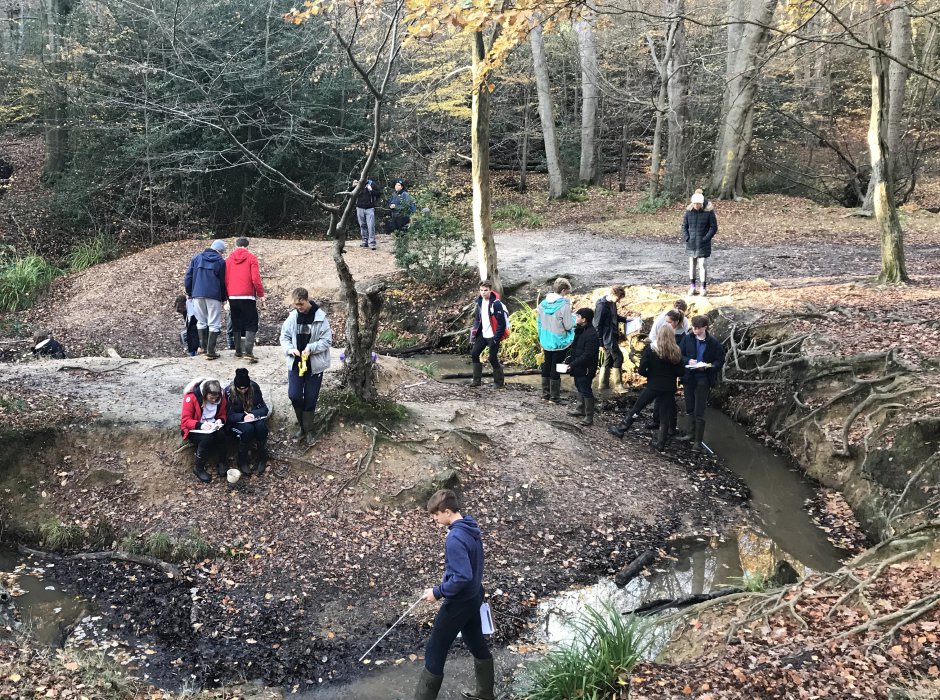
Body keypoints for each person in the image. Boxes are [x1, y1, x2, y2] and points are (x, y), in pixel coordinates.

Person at [413, 489, 493, 700]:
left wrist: (438, 592)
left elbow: (462, 576)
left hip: (460, 602)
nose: (434, 518)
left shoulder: (455, 538)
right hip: (475, 595)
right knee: (474, 638)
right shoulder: (470, 526)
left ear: (447, 511)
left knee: (435, 649)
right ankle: (485, 694)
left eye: (435, 514)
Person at [608, 325, 686, 451]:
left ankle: (621, 429)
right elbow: (681, 371)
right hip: (669, 387)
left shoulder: (651, 349)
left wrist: (651, 374)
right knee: (664, 415)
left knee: (637, 408)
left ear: (659, 335)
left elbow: (642, 370)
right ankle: (661, 443)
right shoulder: (676, 351)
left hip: (653, 385)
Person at [279, 288, 332, 445]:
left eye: (301, 304)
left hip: (314, 365)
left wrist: (311, 348)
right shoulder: (292, 317)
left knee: (310, 398)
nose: (299, 308)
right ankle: (302, 426)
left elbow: (327, 341)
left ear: (307, 299)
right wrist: (290, 350)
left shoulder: (321, 318)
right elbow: (284, 337)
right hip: (296, 364)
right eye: (296, 305)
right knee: (294, 395)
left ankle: (309, 430)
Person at [679, 315, 726, 453]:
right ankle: (690, 434)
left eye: (698, 328)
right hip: (689, 377)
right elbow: (679, 355)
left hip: (704, 378)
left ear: (705, 327)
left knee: (699, 409)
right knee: (689, 406)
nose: (695, 330)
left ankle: (698, 442)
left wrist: (708, 366)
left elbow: (720, 361)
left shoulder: (713, 343)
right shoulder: (687, 338)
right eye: (693, 328)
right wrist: (688, 361)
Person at [184, 239, 227, 359]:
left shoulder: (197, 258)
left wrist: (189, 292)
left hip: (197, 294)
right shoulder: (221, 261)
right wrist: (223, 297)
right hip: (214, 295)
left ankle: (202, 348)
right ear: (220, 251)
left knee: (201, 321)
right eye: (222, 252)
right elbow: (223, 282)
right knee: (214, 323)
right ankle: (211, 351)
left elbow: (188, 277)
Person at [225, 237, 265, 363]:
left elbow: (225, 279)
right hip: (248, 295)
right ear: (247, 246)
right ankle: (248, 351)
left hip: (232, 296)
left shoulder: (228, 260)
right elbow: (255, 278)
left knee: (236, 322)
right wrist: (260, 293)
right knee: (251, 322)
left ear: (236, 245)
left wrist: (227, 296)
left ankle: (238, 351)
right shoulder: (252, 258)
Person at [180, 378, 228, 483]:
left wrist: (220, 420)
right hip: (194, 428)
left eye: (216, 398)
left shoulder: (221, 397)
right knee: (207, 438)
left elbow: (223, 413)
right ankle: (199, 468)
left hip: (212, 426)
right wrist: (200, 425)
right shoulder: (191, 397)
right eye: (211, 397)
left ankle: (222, 462)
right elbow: (185, 420)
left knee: (222, 435)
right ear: (205, 393)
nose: (214, 400)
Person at [225, 367, 270, 476]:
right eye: (240, 389)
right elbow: (228, 415)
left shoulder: (254, 388)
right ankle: (242, 461)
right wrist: (242, 417)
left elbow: (264, 409)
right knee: (248, 429)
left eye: (245, 388)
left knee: (261, 427)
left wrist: (254, 414)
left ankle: (262, 457)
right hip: (237, 422)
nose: (243, 391)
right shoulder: (229, 392)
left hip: (252, 417)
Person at [537, 277, 575, 403]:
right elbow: (568, 325)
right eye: (567, 292)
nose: (567, 295)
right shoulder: (564, 305)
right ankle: (554, 397)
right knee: (556, 366)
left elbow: (539, 322)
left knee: (547, 365)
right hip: (559, 341)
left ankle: (545, 394)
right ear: (563, 290)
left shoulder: (542, 304)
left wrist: (542, 336)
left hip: (546, 340)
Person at [468, 280, 507, 388]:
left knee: (492, 358)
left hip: (493, 335)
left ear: (490, 290)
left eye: (486, 290)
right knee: (474, 353)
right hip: (483, 334)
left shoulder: (496, 304)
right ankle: (476, 381)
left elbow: (501, 323)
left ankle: (499, 383)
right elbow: (477, 318)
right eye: (481, 290)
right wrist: (475, 330)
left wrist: (496, 338)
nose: (483, 292)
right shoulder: (479, 302)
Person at [566, 308, 600, 426]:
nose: (576, 318)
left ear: (584, 319)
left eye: (578, 316)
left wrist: (572, 364)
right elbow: (575, 349)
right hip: (578, 366)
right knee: (578, 386)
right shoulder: (580, 331)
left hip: (586, 368)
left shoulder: (591, 334)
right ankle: (580, 409)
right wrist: (569, 359)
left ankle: (589, 417)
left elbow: (588, 355)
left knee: (586, 389)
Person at [593, 285, 630, 393]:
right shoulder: (601, 306)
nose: (618, 301)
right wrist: (600, 343)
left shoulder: (612, 303)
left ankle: (603, 385)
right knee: (618, 357)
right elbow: (597, 325)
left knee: (608, 359)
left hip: (612, 334)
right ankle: (618, 385)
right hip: (606, 337)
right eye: (618, 298)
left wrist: (626, 319)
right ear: (613, 295)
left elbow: (614, 316)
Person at [682, 189, 717, 297]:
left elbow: (714, 227)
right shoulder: (689, 212)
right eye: (695, 204)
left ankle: (703, 288)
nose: (696, 205)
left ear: (702, 203)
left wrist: (706, 238)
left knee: (702, 265)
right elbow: (684, 226)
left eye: (698, 204)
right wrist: (686, 237)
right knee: (692, 265)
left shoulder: (709, 212)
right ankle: (692, 287)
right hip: (691, 243)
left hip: (703, 244)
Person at [353, 178, 382, 250]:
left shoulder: (372, 183)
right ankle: (364, 242)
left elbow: (379, 194)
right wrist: (353, 186)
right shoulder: (358, 184)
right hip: (359, 208)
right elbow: (350, 194)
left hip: (369, 208)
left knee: (371, 225)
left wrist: (371, 190)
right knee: (362, 225)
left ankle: (372, 243)